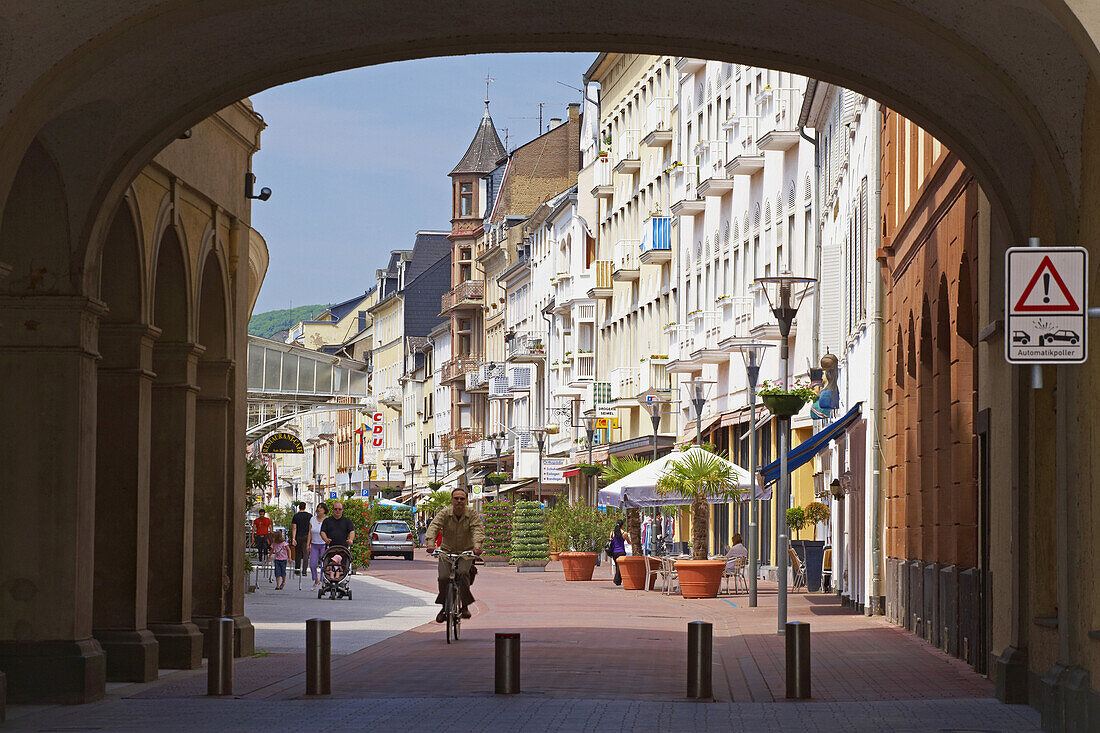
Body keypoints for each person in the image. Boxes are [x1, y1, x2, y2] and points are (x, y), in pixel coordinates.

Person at [425, 487, 483, 623]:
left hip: (465, 552)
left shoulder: (472, 514)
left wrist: (477, 546)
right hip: (446, 551)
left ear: (466, 500)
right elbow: (434, 526)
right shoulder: (445, 513)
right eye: (456, 498)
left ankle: (465, 606)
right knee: (444, 578)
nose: (459, 501)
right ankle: (444, 608)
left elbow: (477, 530)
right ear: (452, 500)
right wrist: (430, 543)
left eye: (462, 499)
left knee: (463, 573)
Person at [308, 502, 329, 589]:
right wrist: (307, 544)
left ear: (325, 510)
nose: (319, 509)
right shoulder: (312, 519)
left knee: (324, 564)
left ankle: (323, 580)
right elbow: (309, 532)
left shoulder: (328, 520)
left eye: (321, 508)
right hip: (314, 544)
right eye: (318, 507)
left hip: (324, 544)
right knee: (312, 564)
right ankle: (315, 579)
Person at [290, 501, 312, 577]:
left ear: (299, 507)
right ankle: (304, 571)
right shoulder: (309, 516)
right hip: (306, 536)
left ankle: (297, 569)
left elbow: (294, 528)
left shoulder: (296, 516)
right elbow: (310, 528)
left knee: (298, 553)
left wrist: (293, 538)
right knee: (306, 554)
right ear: (305, 507)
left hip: (298, 536)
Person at [608, 519, 629, 586]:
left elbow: (611, 540)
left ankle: (618, 580)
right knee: (620, 567)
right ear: (622, 525)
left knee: (617, 566)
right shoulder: (624, 533)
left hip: (614, 552)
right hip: (621, 552)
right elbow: (629, 542)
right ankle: (617, 580)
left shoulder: (612, 533)